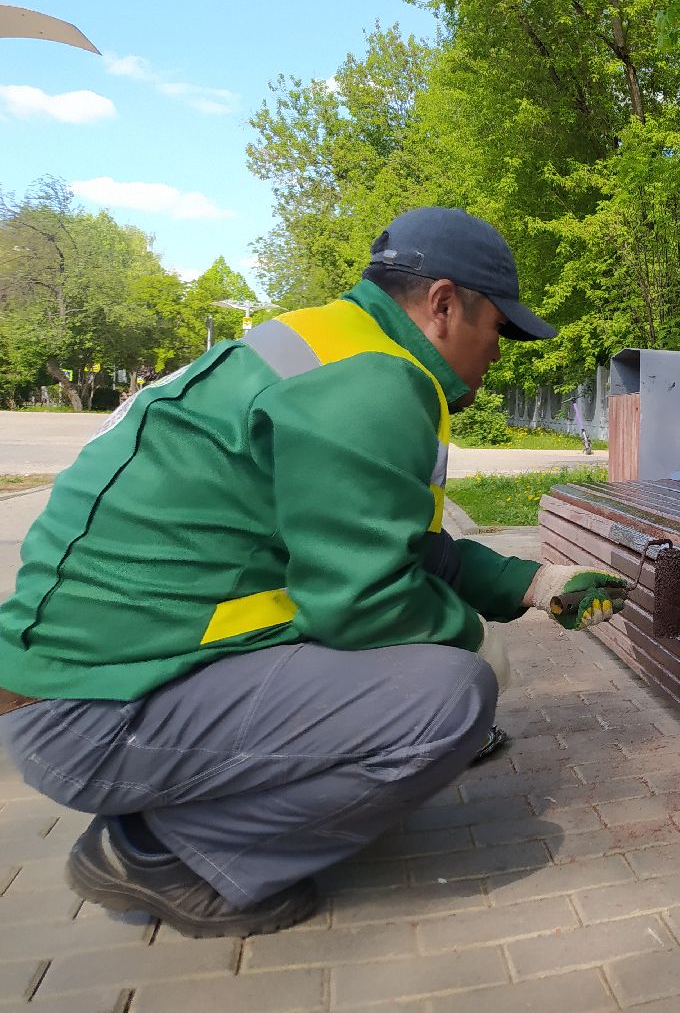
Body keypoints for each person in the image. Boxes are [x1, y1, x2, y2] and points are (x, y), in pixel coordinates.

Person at [0, 207, 627, 938]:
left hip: (89, 686)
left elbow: (403, 549)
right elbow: (363, 608)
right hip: (92, 718)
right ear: (445, 305)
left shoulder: (335, 349)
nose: (499, 351)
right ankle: (161, 854)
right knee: (449, 696)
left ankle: (185, 812)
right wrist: (470, 640)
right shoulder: (372, 384)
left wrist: (532, 583)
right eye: (499, 328)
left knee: (427, 669)